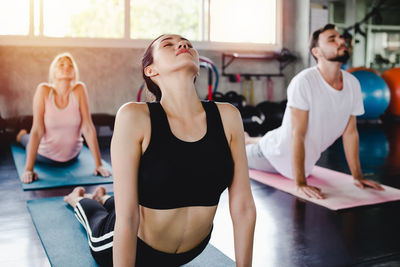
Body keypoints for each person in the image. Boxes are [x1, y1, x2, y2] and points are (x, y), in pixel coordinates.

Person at [64, 34, 256, 267]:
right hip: (135, 248)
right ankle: (80, 199)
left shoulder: (228, 116)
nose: (183, 45)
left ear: (196, 69)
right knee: (95, 215)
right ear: (151, 70)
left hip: (194, 248)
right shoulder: (134, 116)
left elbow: (244, 207)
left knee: (125, 200)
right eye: (168, 44)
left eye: (188, 44)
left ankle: (105, 197)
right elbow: (127, 218)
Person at [245, 24, 384, 199]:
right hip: (274, 155)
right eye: (332, 39)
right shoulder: (304, 81)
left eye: (340, 37)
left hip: (302, 158)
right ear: (316, 52)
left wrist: (358, 176)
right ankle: (242, 139)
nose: (341, 41)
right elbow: (298, 135)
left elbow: (350, 133)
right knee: (233, 153)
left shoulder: (352, 83)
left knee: (272, 136)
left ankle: (247, 138)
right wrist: (300, 183)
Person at [16, 52, 111, 183]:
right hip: (44, 155)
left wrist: (99, 164)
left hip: (73, 156)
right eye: (61, 64)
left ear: (74, 71)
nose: (66, 67)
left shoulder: (79, 89)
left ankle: (23, 135)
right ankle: (21, 135)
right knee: (26, 140)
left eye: (70, 65)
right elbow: (37, 130)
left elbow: (87, 127)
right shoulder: (43, 90)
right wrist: (28, 169)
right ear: (53, 71)